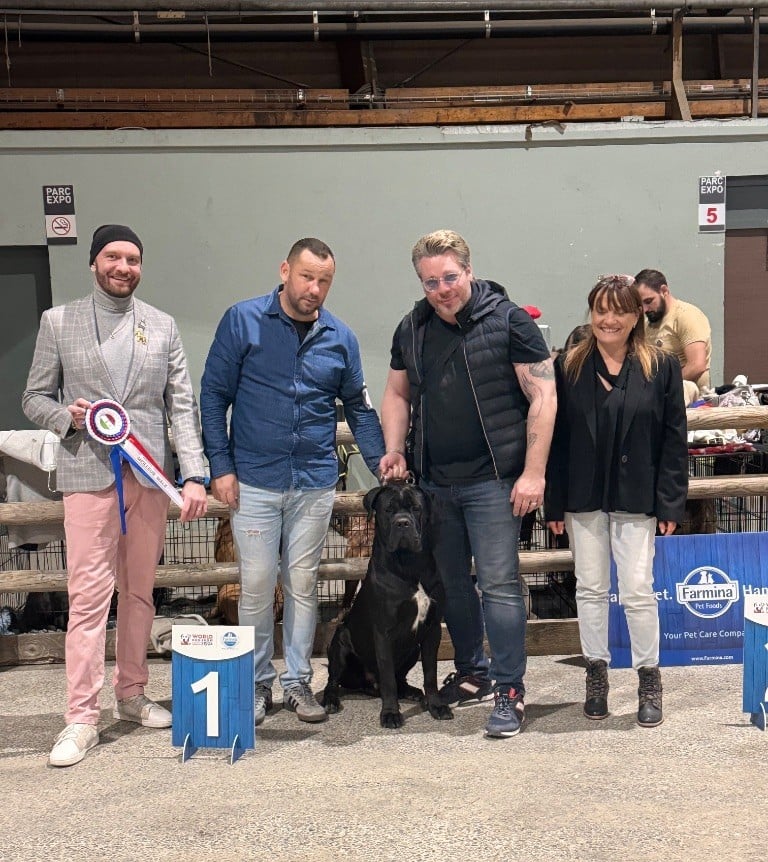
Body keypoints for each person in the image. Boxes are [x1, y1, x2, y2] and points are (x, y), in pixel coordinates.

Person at [22, 223, 208, 767]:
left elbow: (181, 406)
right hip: (87, 475)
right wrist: (67, 416)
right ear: (93, 262)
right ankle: (81, 717)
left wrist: (194, 474)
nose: (123, 267)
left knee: (141, 593)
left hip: (149, 479)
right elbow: (33, 397)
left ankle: (131, 694)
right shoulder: (58, 321)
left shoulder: (163, 325)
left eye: (132, 259)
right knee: (87, 598)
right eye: (112, 257)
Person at [200, 237, 385, 727]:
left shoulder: (341, 338)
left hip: (313, 484)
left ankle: (298, 680)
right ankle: (258, 682)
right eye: (306, 277)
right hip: (254, 482)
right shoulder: (242, 321)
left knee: (304, 584)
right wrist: (220, 467)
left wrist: (383, 462)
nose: (314, 289)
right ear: (285, 271)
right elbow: (213, 396)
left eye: (324, 281)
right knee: (257, 585)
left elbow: (360, 409)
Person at [378, 229, 557, 739]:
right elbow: (396, 393)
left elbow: (544, 396)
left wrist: (534, 472)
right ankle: (474, 672)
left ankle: (510, 691)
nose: (442, 289)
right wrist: (395, 448)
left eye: (450, 277)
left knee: (499, 586)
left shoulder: (510, 320)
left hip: (495, 483)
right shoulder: (412, 327)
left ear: (469, 271)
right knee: (452, 585)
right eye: (430, 281)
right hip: (435, 485)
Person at [544, 275, 688, 727]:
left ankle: (649, 679)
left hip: (637, 496)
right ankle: (596, 674)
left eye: (619, 311)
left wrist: (670, 503)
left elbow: (673, 439)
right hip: (582, 497)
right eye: (600, 310)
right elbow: (556, 440)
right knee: (589, 588)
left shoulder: (661, 366)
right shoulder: (567, 366)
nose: (609, 319)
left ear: (636, 315)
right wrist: (553, 504)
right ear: (591, 313)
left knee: (638, 589)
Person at [634, 268, 712, 391]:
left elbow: (697, 365)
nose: (645, 309)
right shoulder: (647, 323)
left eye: (649, 301)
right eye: (640, 304)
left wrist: (662, 388)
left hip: (688, 393)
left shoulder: (686, 316)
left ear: (664, 291)